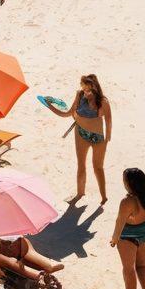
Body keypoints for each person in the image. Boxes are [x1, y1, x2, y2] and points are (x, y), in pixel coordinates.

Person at [43, 74, 112, 202]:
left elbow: (108, 120)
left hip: (98, 137)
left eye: (89, 90)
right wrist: (49, 106)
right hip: (80, 132)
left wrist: (107, 139)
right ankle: (80, 194)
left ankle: (104, 196)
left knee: (97, 167)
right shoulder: (79, 95)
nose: (86, 92)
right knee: (81, 165)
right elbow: (68, 113)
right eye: (83, 88)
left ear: (95, 88)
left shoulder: (103, 101)